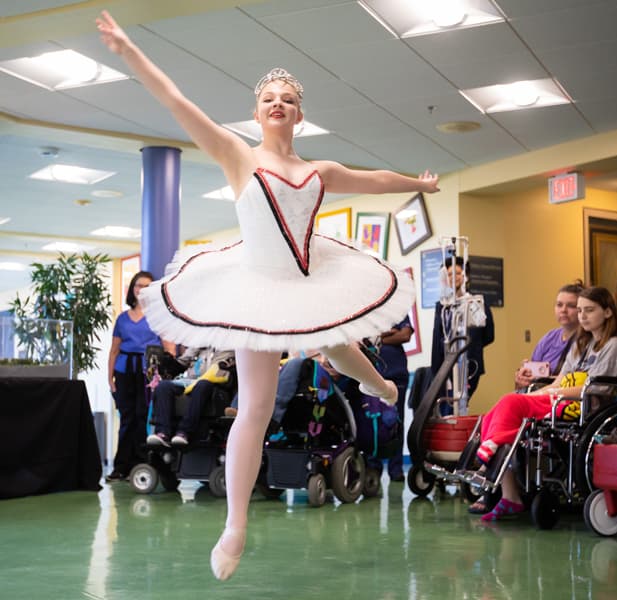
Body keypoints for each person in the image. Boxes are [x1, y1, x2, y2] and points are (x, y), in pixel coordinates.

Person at [97, 11, 438, 580]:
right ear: (257, 112)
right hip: (255, 286)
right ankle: (235, 525)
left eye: (286, 99)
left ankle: (378, 384)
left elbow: (372, 178)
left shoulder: (319, 169)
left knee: (332, 335)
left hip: (304, 276)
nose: (277, 104)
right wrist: (130, 51)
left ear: (300, 115)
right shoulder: (239, 156)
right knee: (255, 406)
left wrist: (418, 184)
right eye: (268, 98)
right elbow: (178, 102)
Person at [474, 287, 617, 521]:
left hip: (585, 406)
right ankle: (506, 488)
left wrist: (551, 394)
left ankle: (491, 458)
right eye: (580, 311)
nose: (582, 316)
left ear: (608, 312)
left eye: (589, 310)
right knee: (503, 405)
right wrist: (534, 396)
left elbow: (598, 388)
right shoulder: (582, 344)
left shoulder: (615, 346)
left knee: (510, 404)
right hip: (562, 399)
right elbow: (559, 380)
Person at [106, 271, 172, 482]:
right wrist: (110, 378)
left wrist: (168, 370)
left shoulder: (157, 317)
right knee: (127, 418)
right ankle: (121, 467)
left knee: (142, 416)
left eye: (146, 286)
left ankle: (142, 463)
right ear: (132, 289)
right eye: (138, 285)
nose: (141, 289)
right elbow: (114, 350)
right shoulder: (122, 319)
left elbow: (169, 348)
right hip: (124, 371)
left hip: (148, 373)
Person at [431, 256, 495, 407]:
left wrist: (470, 347)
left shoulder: (476, 303)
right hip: (446, 366)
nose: (454, 277)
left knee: (462, 405)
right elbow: (437, 339)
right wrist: (437, 372)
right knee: (448, 408)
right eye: (450, 274)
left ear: (466, 276)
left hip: (470, 364)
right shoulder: (442, 306)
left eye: (458, 273)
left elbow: (488, 335)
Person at [147, 350, 236, 447]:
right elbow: (181, 363)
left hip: (214, 382)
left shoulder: (231, 347)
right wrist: (167, 360)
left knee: (202, 385)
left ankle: (184, 432)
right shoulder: (200, 344)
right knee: (163, 386)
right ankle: (162, 433)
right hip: (189, 380)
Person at [513, 281, 583, 392]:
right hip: (535, 391)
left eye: (571, 306)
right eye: (559, 305)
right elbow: (532, 374)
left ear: (581, 309)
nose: (563, 310)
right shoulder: (549, 338)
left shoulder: (586, 342)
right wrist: (522, 377)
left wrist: (542, 379)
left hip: (559, 397)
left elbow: (578, 380)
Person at [370, 317, 413, 482]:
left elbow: (404, 336)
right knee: (373, 420)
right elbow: (366, 340)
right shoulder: (370, 311)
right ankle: (373, 467)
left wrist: (379, 337)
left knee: (397, 421)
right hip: (374, 374)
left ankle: (396, 469)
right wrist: (389, 333)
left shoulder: (398, 311)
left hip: (396, 374)